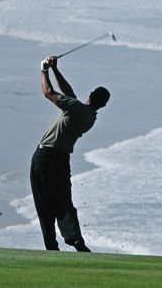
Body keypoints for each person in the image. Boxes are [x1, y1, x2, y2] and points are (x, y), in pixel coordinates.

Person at [30, 54, 109, 252]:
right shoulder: (90, 117)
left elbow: (48, 92)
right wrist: (56, 69)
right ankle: (75, 240)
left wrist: (44, 70)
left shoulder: (75, 107)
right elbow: (70, 94)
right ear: (103, 105)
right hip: (62, 159)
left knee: (44, 202)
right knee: (64, 201)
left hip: (45, 156)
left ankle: (51, 246)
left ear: (89, 97)